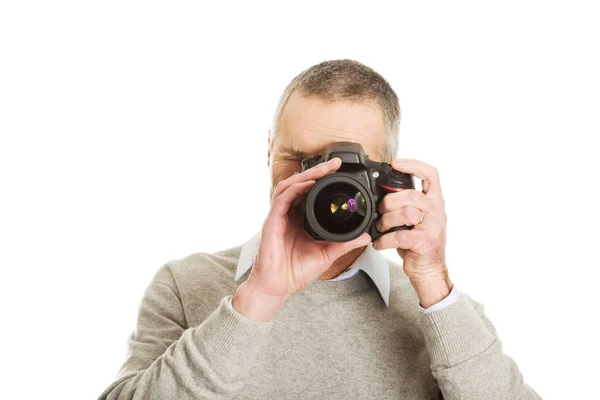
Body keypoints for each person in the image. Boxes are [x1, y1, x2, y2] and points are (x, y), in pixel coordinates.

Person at [99, 59, 542, 399]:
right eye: (297, 161)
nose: (317, 186)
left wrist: (432, 279)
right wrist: (259, 297)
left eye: (344, 170)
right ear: (269, 151)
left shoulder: (440, 314)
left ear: (389, 174)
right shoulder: (185, 285)